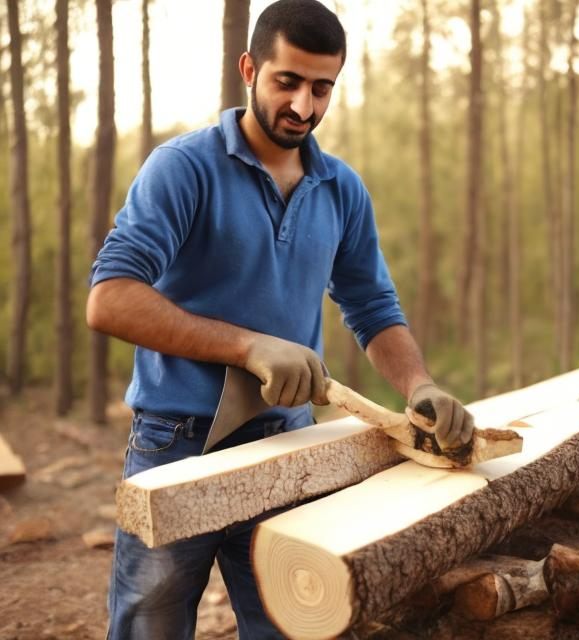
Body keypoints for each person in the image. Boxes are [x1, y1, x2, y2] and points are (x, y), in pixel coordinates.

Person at [87, 1, 474, 638]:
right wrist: (247, 346)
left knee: (291, 625)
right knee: (149, 626)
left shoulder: (341, 189)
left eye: (322, 88)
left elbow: (373, 308)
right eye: (287, 82)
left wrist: (421, 388)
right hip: (176, 443)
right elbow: (110, 297)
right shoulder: (184, 168)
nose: (303, 106)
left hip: (289, 446)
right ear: (249, 69)